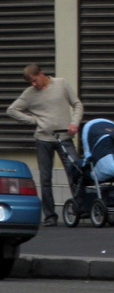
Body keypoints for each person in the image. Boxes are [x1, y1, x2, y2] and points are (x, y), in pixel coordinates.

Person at [6, 64, 83, 226]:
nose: (34, 85)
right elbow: (12, 110)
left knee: (75, 172)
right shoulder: (29, 94)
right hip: (43, 139)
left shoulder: (61, 84)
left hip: (64, 137)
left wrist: (74, 123)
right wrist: (34, 121)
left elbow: (77, 104)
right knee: (45, 178)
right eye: (30, 83)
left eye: (35, 80)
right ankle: (50, 216)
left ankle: (80, 208)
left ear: (41, 74)